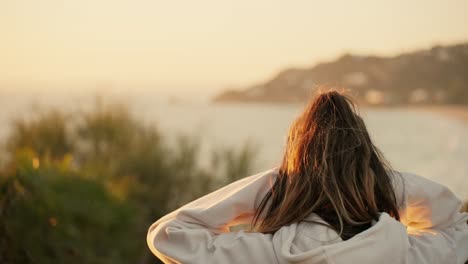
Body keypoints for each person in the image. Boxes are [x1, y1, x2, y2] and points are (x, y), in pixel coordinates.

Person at [147, 90, 468, 264]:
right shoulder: (403, 253)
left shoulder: (264, 254)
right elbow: (454, 226)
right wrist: (377, 181)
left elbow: (170, 234)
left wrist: (283, 183)